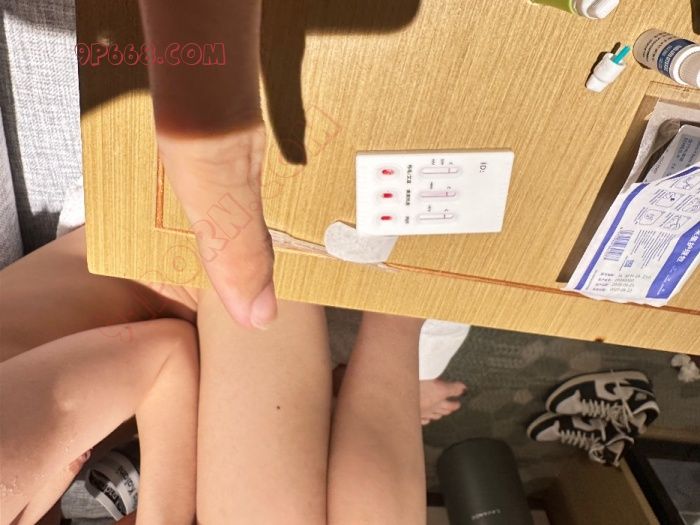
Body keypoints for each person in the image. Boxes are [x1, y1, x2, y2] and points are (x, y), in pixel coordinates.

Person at [0, 227, 466, 524]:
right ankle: (393, 333)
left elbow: (165, 357)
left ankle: (404, 289)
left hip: (189, 249)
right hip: (182, 341)